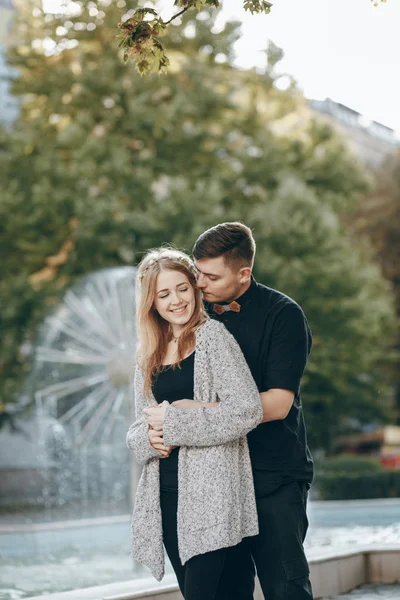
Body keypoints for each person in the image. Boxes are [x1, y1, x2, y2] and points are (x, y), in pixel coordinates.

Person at [149, 223, 314, 600]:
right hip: (215, 479)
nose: (198, 285)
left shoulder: (283, 315)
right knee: (230, 589)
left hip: (271, 475)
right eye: (197, 272)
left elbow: (277, 404)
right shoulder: (193, 314)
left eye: (210, 276)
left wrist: (194, 411)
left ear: (244, 274)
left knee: (284, 585)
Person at [126, 247, 263, 600]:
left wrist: (175, 421)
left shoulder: (214, 338)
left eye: (182, 288)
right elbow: (137, 429)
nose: (176, 300)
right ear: (151, 302)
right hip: (167, 497)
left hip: (212, 496)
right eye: (164, 294)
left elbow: (247, 410)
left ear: (195, 287)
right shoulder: (147, 354)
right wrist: (150, 440)